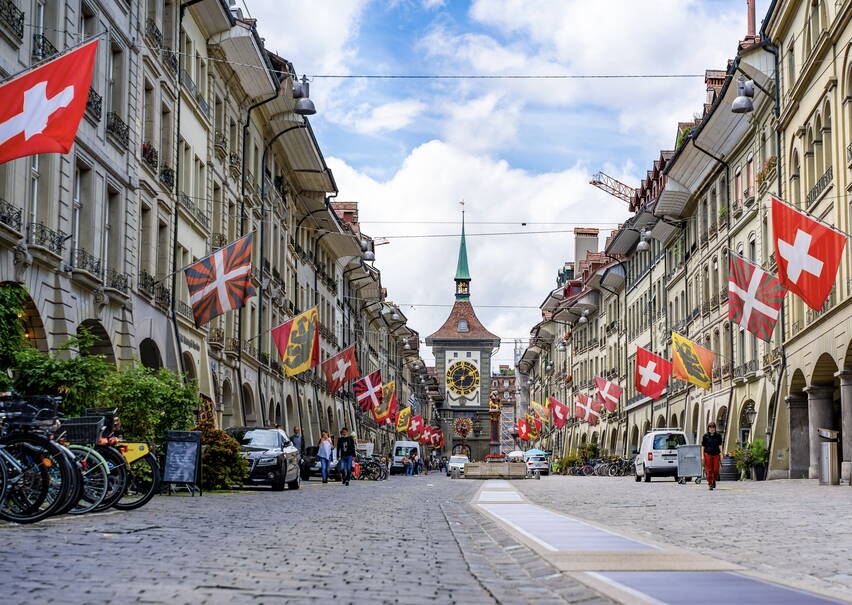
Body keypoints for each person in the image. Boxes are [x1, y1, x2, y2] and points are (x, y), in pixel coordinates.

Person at [701, 422, 724, 490]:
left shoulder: (718, 435)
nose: (712, 429)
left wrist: (721, 453)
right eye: (710, 427)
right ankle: (710, 483)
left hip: (716, 454)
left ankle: (714, 480)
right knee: (709, 470)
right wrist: (702, 456)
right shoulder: (705, 436)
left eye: (713, 427)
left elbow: (720, 445)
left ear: (715, 428)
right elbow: (703, 446)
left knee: (716, 470)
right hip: (707, 454)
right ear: (708, 428)